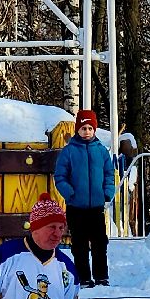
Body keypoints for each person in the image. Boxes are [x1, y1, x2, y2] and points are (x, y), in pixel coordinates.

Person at [53, 108, 116, 286]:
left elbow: (109, 173)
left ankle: (101, 276)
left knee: (99, 243)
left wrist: (107, 192)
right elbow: (60, 176)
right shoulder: (69, 151)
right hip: (76, 207)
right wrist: (69, 192)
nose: (86, 132)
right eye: (83, 128)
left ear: (94, 130)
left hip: (96, 206)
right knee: (79, 245)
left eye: (90, 128)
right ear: (77, 130)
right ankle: (83, 277)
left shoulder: (101, 151)